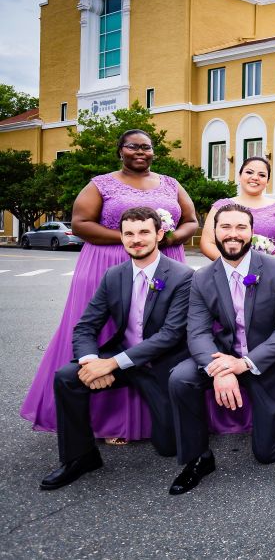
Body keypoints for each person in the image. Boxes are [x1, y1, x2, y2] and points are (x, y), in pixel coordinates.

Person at [21, 129, 198, 444]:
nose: (140, 151)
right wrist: (134, 238)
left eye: (146, 147)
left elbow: (191, 221)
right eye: (133, 146)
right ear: (120, 150)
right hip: (107, 264)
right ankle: (110, 421)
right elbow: (80, 224)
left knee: (163, 335)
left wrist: (166, 238)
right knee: (109, 333)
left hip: (165, 261)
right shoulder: (100, 184)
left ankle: (165, 411)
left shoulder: (171, 183)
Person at [40, 207, 194, 490]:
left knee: (169, 447)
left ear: (159, 234)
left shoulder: (183, 276)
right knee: (66, 376)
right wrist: (90, 363)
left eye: (144, 232)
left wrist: (111, 364)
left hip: (161, 366)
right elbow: (86, 326)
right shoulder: (114, 275)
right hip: (124, 359)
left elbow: (170, 335)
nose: (137, 240)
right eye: (129, 234)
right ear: (121, 238)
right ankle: (80, 457)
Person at [167, 204, 275, 495]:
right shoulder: (202, 277)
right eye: (225, 227)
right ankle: (198, 458)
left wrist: (244, 364)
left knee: (267, 454)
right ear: (213, 232)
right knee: (181, 378)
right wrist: (217, 369)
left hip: (270, 360)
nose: (233, 234)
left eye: (241, 227)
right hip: (224, 355)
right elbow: (198, 332)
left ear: (252, 232)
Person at [201, 156, 275, 260]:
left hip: (272, 272)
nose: (255, 177)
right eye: (249, 172)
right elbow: (207, 243)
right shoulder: (221, 207)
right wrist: (232, 265)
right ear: (239, 176)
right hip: (230, 271)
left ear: (267, 181)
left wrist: (269, 264)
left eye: (262, 175)